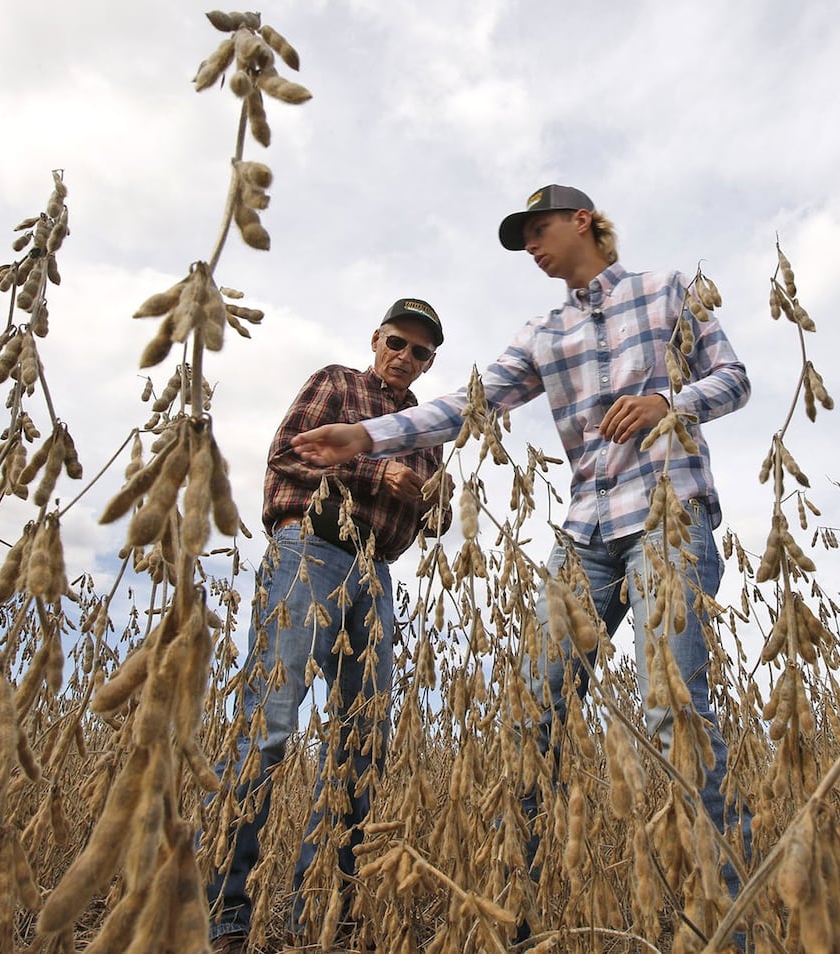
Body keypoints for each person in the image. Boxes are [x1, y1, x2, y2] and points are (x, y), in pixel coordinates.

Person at [292, 185, 754, 940]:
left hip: (670, 518)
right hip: (584, 537)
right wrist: (370, 438)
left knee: (676, 715)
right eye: (523, 238)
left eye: (539, 230)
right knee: (532, 720)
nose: (531, 247)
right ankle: (513, 925)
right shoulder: (543, 333)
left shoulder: (666, 293)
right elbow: (466, 404)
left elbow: (733, 380)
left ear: (583, 222)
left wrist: (670, 400)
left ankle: (729, 931)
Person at [206, 298, 451, 953]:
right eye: (398, 342)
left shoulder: (429, 428)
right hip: (311, 548)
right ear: (377, 339)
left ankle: (325, 914)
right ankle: (226, 912)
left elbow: (438, 520)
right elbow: (290, 453)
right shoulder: (339, 383)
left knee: (361, 743)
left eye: (421, 352)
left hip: (377, 571)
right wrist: (378, 470)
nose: (406, 357)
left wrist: (431, 498)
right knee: (271, 720)